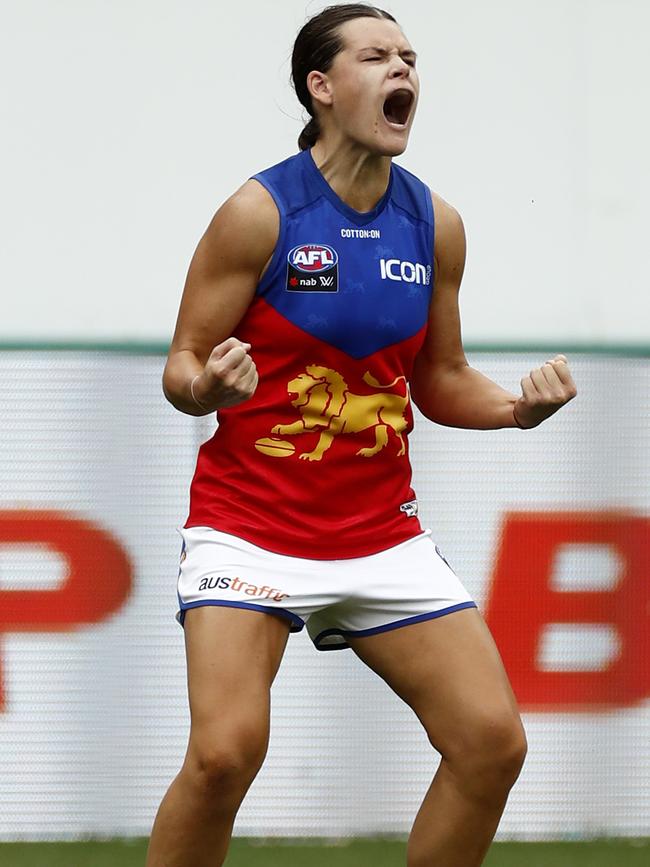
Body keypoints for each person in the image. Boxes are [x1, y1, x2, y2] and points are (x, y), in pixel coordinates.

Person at [145, 5, 577, 866]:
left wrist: (516, 409)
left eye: (410, 57)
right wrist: (209, 384)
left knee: (494, 743)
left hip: (381, 535)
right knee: (225, 752)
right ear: (322, 86)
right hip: (250, 528)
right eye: (377, 56)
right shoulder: (258, 213)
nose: (402, 70)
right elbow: (182, 369)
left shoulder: (435, 225)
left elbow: (441, 379)